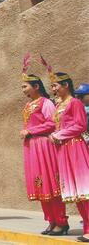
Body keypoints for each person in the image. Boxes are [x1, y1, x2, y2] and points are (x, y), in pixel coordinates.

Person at [20, 70, 68, 235]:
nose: (23, 90)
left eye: (25, 86)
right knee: (40, 185)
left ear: (36, 86)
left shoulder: (45, 103)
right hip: (32, 148)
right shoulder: (28, 106)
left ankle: (61, 221)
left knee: (50, 183)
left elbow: (52, 123)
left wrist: (31, 130)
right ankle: (51, 220)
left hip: (44, 146)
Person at [48, 70, 89, 241]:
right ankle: (87, 227)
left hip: (75, 147)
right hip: (63, 150)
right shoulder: (59, 105)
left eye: (56, 85)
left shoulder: (75, 103)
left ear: (65, 85)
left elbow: (80, 125)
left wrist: (59, 135)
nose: (53, 89)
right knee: (75, 193)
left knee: (84, 189)